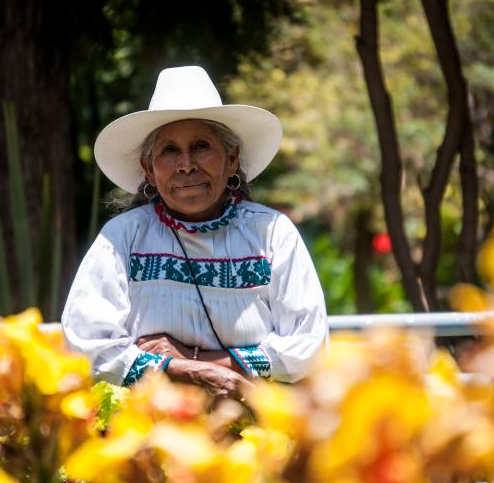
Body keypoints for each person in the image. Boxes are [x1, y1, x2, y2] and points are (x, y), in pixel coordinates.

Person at [61, 66, 328, 401]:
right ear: (149, 169)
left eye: (201, 146)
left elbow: (307, 343)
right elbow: (87, 343)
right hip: (148, 429)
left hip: (253, 430)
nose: (186, 164)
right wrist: (183, 371)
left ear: (232, 160)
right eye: (169, 151)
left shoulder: (272, 233)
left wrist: (195, 364)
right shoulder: (122, 238)